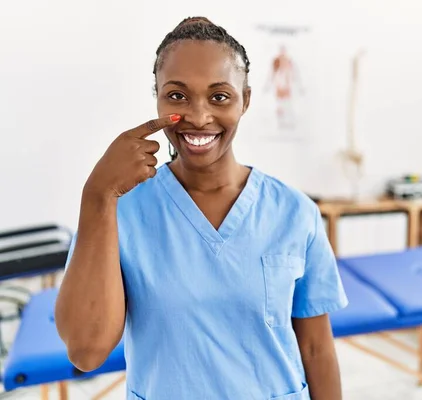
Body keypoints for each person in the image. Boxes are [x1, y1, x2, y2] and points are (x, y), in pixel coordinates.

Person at [54, 16, 348, 400]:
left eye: (219, 96)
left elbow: (315, 348)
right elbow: (86, 352)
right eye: (176, 95)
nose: (198, 116)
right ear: (157, 96)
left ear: (245, 100)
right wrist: (96, 195)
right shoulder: (121, 210)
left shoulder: (294, 213)